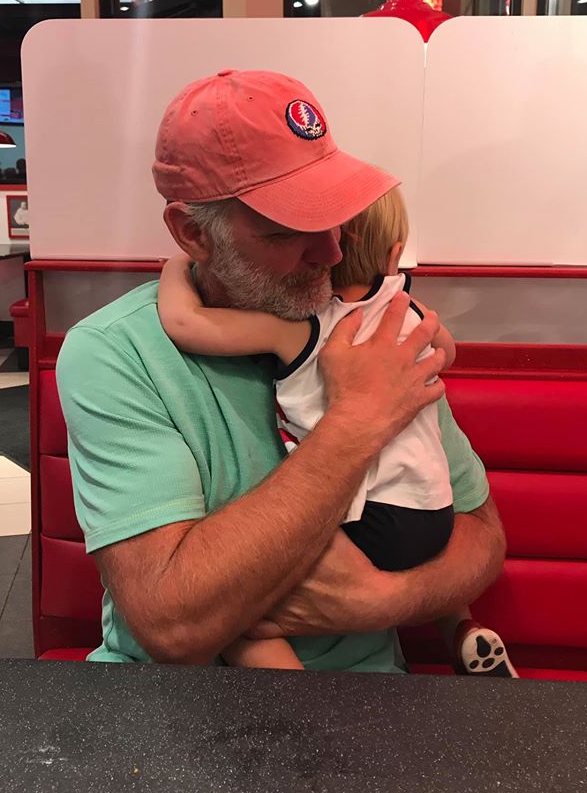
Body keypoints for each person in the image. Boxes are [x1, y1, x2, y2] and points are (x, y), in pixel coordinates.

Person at [56, 68, 506, 670]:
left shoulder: (374, 329)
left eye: (336, 214)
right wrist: (357, 419)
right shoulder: (117, 352)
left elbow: (482, 536)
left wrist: (381, 601)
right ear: (192, 234)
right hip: (174, 698)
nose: (333, 252)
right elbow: (173, 625)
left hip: (365, 694)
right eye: (288, 230)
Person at [157, 185, 517, 677]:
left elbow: (186, 323)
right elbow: (446, 354)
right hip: (432, 512)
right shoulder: (409, 319)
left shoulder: (302, 330)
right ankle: (460, 626)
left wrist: (175, 267)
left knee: (242, 602)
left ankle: (296, 692)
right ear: (394, 255)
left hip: (370, 517)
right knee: (417, 558)